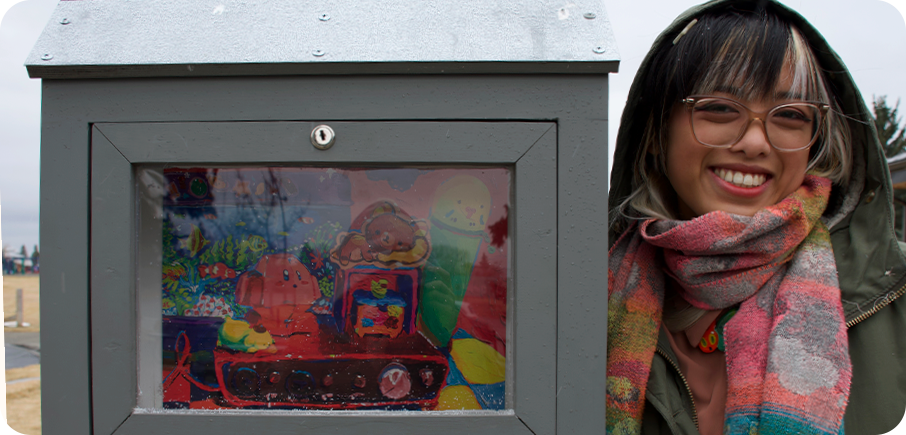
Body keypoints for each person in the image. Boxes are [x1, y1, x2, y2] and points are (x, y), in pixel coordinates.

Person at [606, 0, 906, 434]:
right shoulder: (577, 300)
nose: (753, 142)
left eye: (789, 116)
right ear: (654, 132)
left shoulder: (893, 296)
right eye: (719, 108)